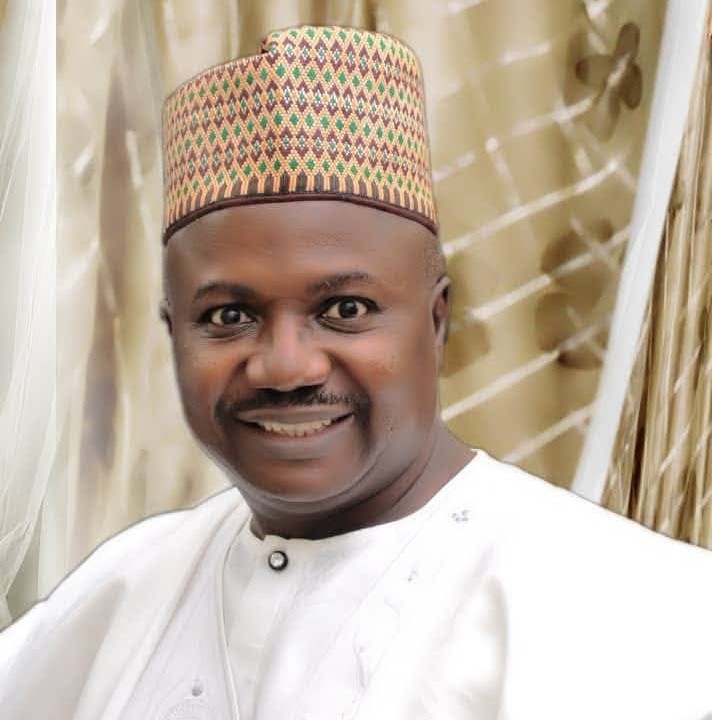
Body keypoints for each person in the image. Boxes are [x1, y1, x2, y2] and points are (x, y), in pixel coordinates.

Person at [1, 24, 711, 720]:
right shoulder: (123, 594)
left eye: (345, 309)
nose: (286, 366)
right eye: (228, 316)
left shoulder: (638, 613)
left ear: (437, 320)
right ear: (172, 331)